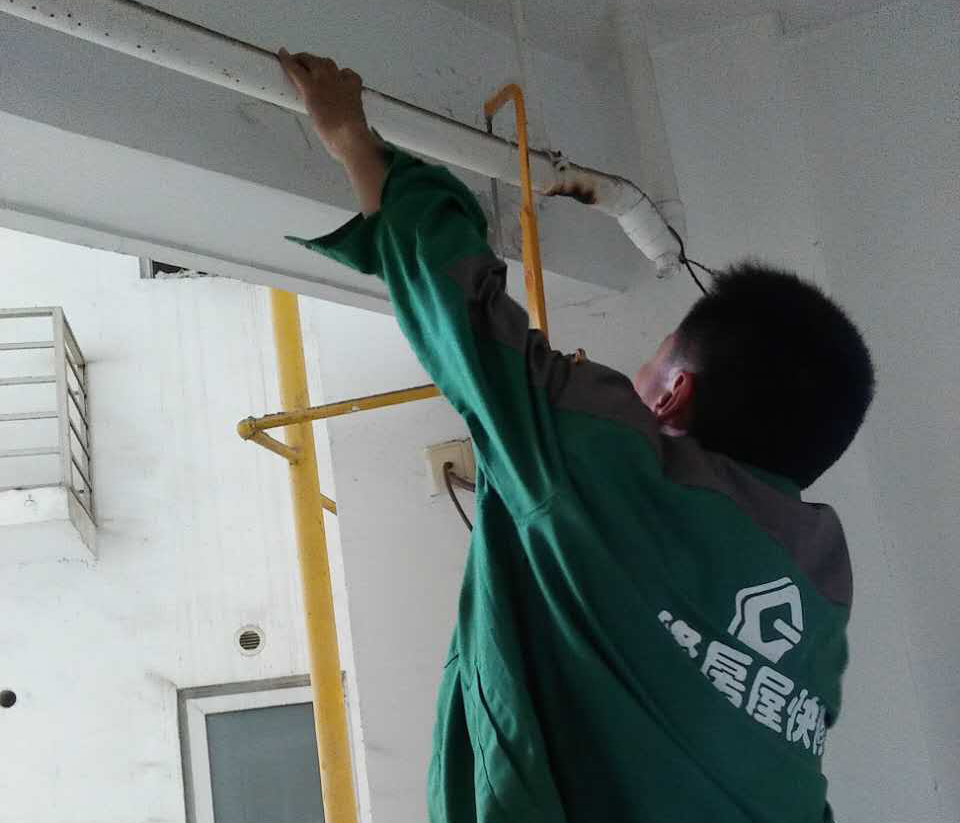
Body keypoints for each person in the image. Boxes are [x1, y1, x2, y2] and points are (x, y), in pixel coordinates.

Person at [278, 49, 875, 823]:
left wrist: (353, 139)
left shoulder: (609, 463)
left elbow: (464, 312)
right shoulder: (822, 587)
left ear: (673, 394)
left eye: (652, 360)